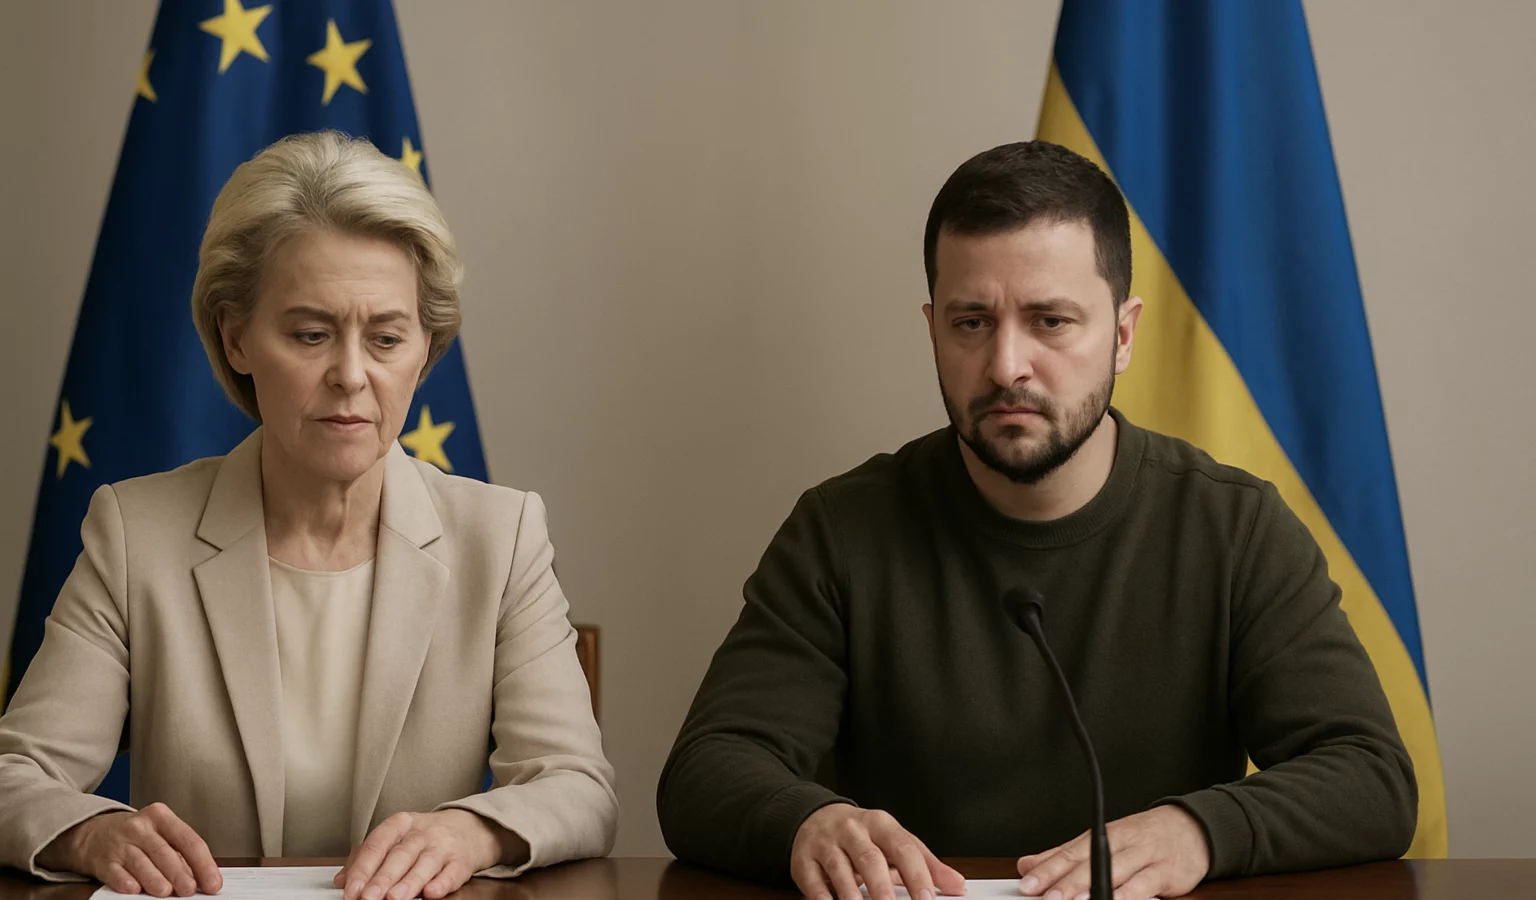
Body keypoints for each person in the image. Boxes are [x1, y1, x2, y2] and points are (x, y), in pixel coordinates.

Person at [657, 141, 1416, 900]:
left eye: (1050, 321)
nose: (1006, 366)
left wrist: (1199, 830)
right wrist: (806, 822)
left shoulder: (1234, 528)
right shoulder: (840, 530)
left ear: (1123, 335)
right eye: (971, 322)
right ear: (932, 329)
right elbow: (705, 770)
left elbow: (1371, 774)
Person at [0, 131, 617, 900]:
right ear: (237, 338)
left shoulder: (502, 537)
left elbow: (577, 785)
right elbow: (17, 776)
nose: (351, 375)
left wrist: (471, 832)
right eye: (311, 334)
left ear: (425, 351)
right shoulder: (135, 534)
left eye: (386, 338)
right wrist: (90, 832)